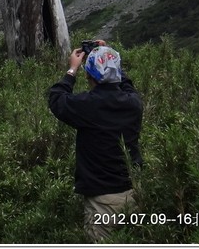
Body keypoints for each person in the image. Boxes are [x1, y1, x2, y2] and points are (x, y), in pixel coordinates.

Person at [48, 40, 143, 242]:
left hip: (102, 200)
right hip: (134, 192)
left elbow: (56, 99)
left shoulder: (87, 106)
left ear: (88, 75)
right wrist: (109, 58)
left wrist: (72, 69)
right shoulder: (134, 103)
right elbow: (126, 84)